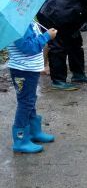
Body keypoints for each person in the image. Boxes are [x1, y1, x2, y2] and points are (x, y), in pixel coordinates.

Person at [7, 22, 58, 153]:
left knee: (30, 100)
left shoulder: (27, 20)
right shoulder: (17, 25)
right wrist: (46, 36)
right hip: (22, 71)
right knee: (25, 102)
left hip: (30, 69)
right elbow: (28, 47)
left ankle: (34, 131)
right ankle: (20, 140)